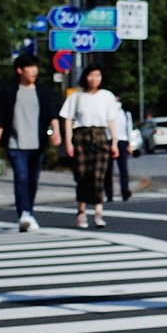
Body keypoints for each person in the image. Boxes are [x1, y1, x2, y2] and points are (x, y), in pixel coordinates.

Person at [0, 51, 50, 232]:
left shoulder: (42, 91)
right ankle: (24, 214)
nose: (34, 70)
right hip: (16, 144)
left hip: (37, 144)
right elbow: (1, 119)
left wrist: (54, 132)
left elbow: (51, 116)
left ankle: (28, 211)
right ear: (20, 70)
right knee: (21, 178)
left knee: (33, 181)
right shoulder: (9, 92)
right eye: (30, 67)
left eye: (35, 66)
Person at [56, 65, 121, 229]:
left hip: (100, 136)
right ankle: (81, 212)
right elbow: (68, 119)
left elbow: (111, 120)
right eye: (91, 75)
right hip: (81, 136)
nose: (95, 79)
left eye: (98, 75)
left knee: (99, 175)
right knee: (82, 175)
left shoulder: (107, 96)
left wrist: (114, 141)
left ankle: (99, 212)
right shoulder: (76, 96)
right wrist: (68, 142)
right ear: (85, 77)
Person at [112, 94, 136, 201]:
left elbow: (129, 128)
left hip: (122, 141)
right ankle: (109, 193)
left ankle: (125, 191)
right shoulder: (107, 111)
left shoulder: (126, 113)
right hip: (109, 140)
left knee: (123, 169)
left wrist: (130, 143)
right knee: (108, 169)